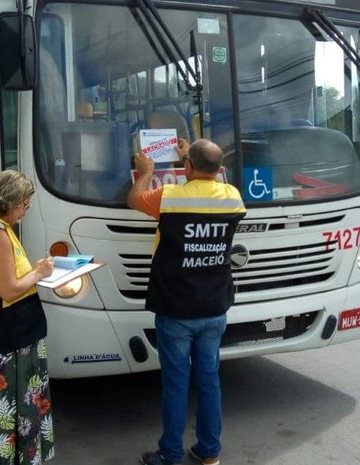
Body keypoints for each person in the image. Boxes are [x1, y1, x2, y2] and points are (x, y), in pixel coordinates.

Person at [128, 139, 246, 465]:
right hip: (214, 306)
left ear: (188, 167)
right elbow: (204, 187)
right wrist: (189, 159)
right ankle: (209, 452)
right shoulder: (233, 196)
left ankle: (170, 453)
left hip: (176, 307)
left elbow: (134, 199)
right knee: (209, 380)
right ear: (218, 169)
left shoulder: (169, 196)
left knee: (176, 383)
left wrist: (146, 172)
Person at [0, 170, 56, 465]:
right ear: (8, 200)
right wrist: (38, 273)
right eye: (23, 204)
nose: (25, 211)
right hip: (9, 343)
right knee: (15, 411)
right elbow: (9, 288)